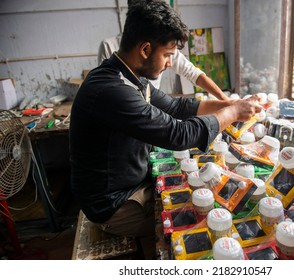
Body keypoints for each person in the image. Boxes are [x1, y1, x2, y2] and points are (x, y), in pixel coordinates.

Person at [69, 0, 261, 257]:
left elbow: (178, 107)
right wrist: (233, 113)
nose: (170, 63)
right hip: (114, 205)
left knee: (201, 188)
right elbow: (179, 134)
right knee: (202, 218)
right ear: (146, 49)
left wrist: (231, 103)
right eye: (168, 55)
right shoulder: (112, 90)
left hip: (131, 183)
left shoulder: (131, 78)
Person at [97, 0, 229, 101]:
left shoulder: (162, 48)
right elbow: (107, 92)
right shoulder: (109, 47)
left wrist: (226, 101)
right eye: (167, 55)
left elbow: (193, 75)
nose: (170, 62)